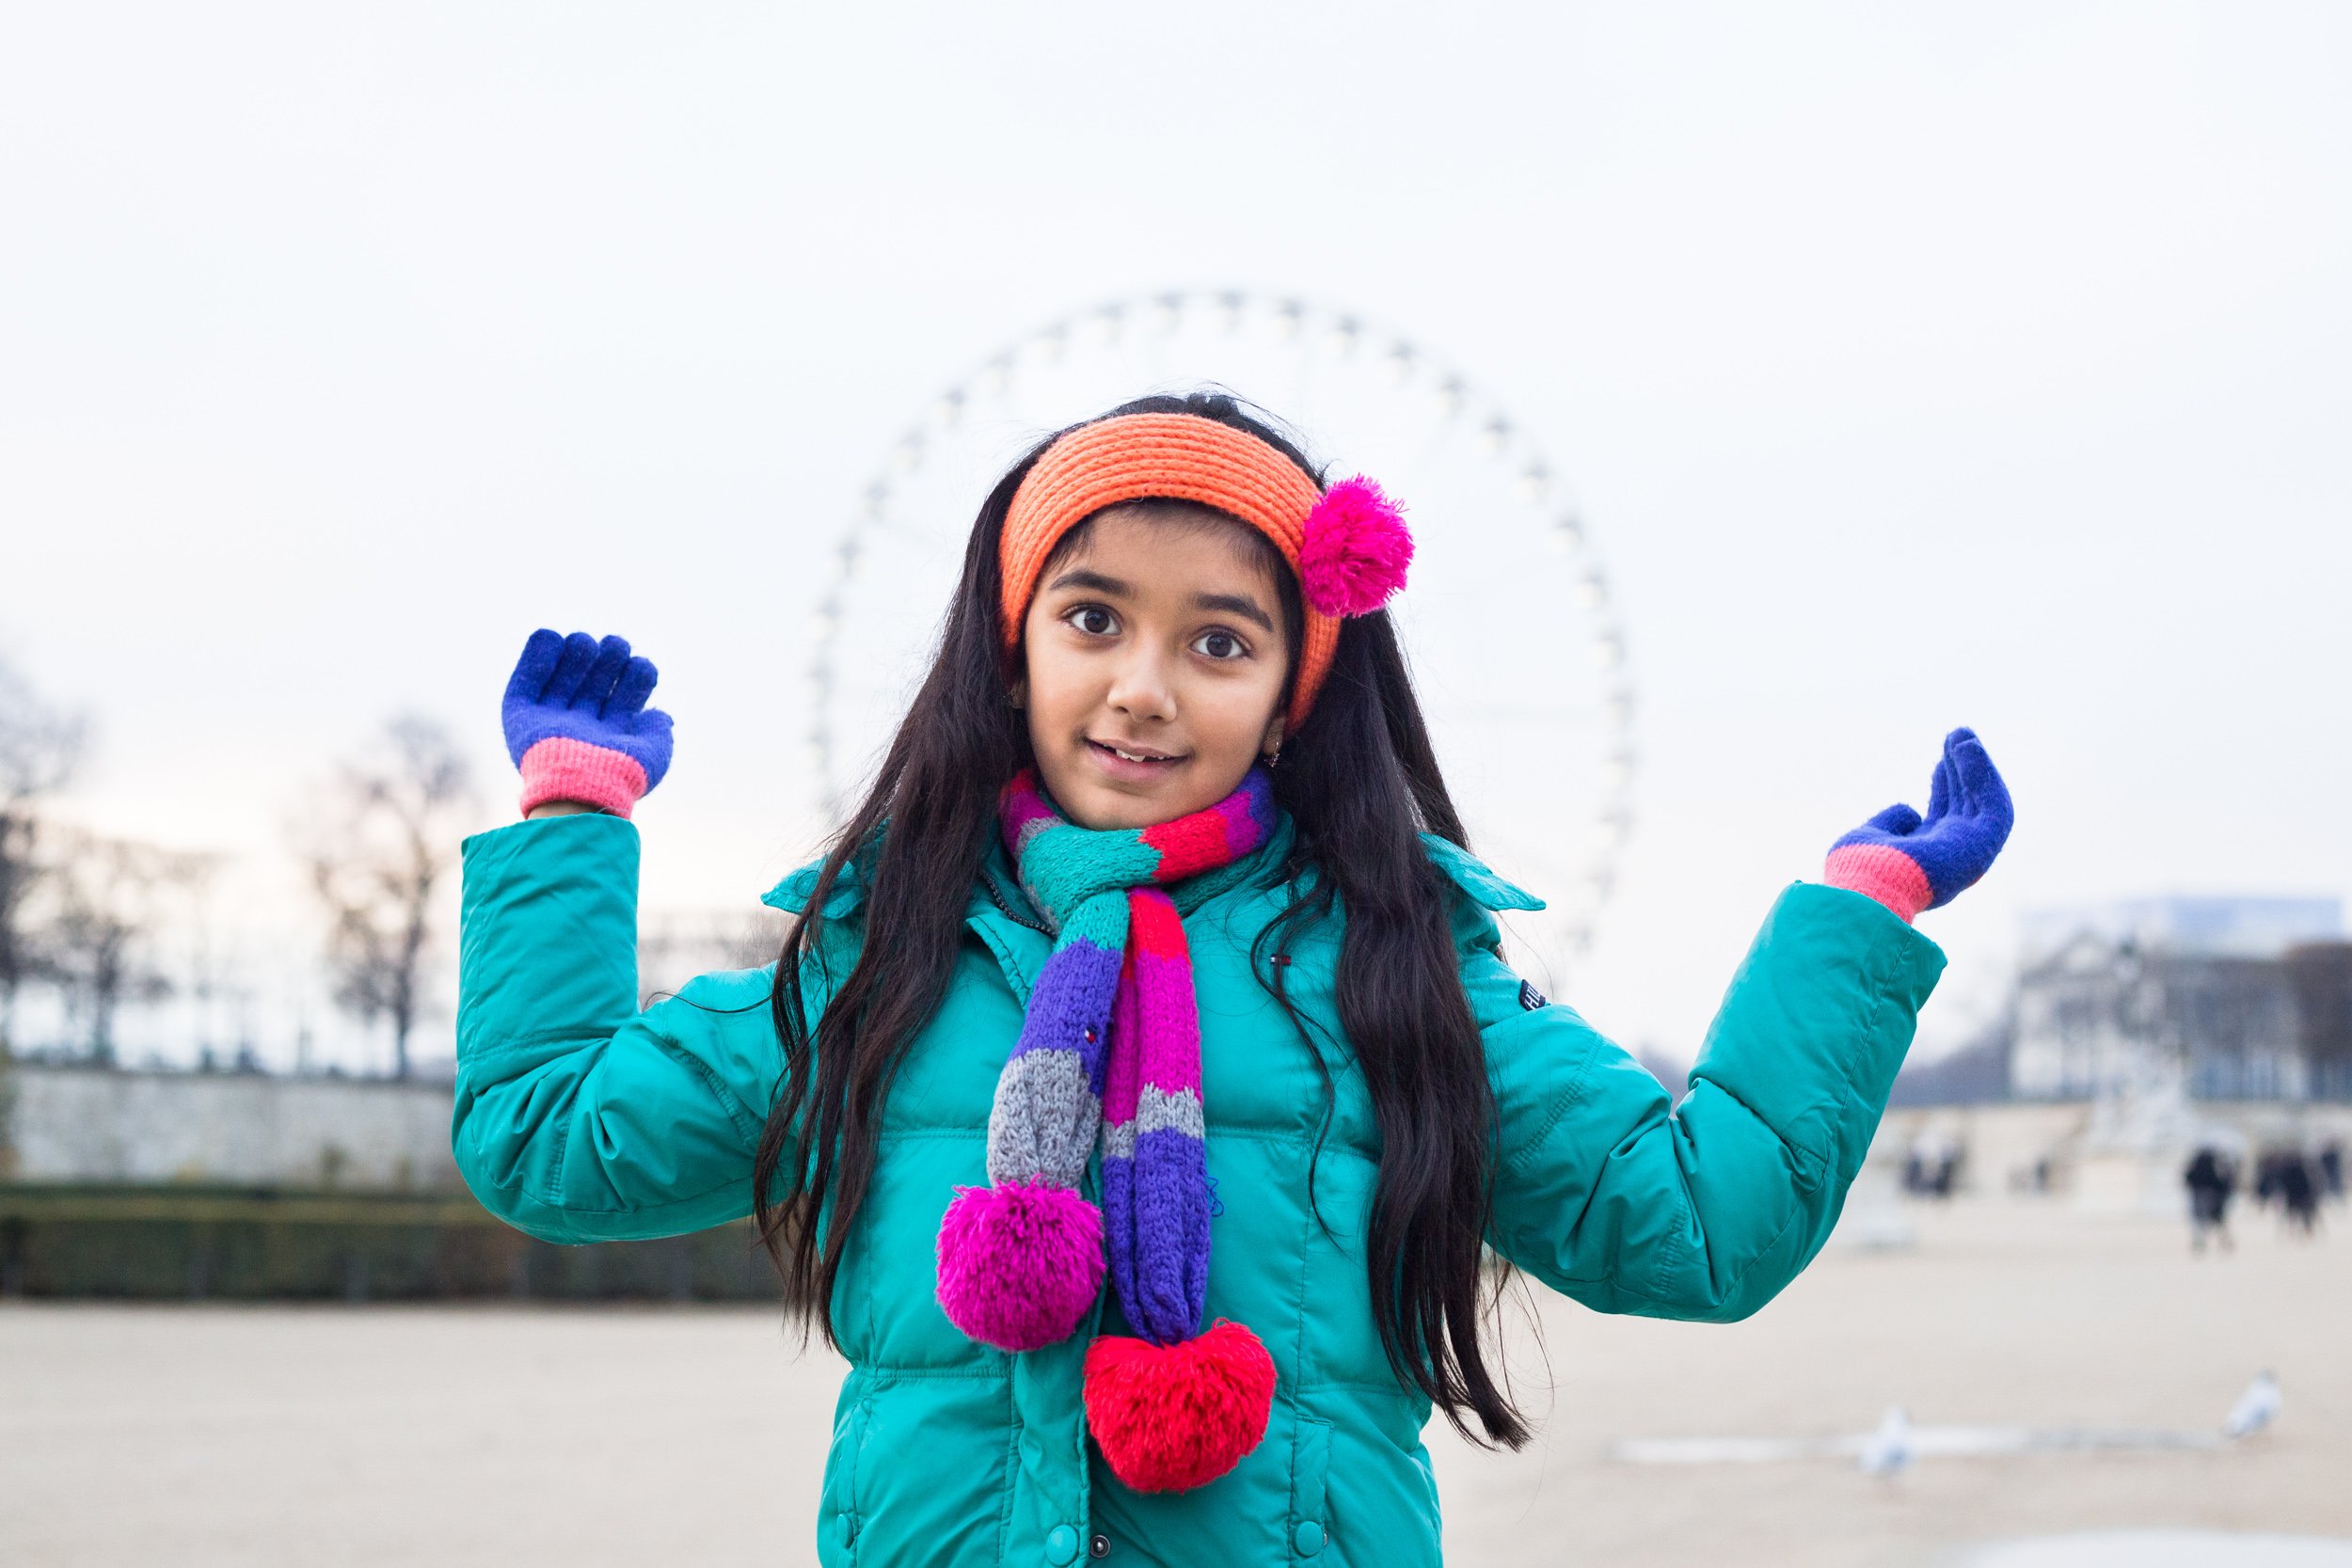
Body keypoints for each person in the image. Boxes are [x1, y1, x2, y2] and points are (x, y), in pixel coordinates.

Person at [453, 393, 2013, 1566]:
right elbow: (548, 1141)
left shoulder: (1400, 980)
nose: (1141, 684)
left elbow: (1696, 1226)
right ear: (1014, 652)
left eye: (1217, 641)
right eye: (1092, 618)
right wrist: (574, 819)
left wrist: (1852, 921)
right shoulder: (882, 967)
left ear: (1289, 696)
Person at [2184, 1146, 2236, 1253]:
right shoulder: (2214, 1168)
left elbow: (2188, 1179)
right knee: (2218, 1221)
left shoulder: (2196, 1167)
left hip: (2199, 1196)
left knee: (2200, 1220)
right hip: (2212, 1198)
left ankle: (2201, 1240)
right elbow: (2221, 1184)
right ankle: (2223, 1241)